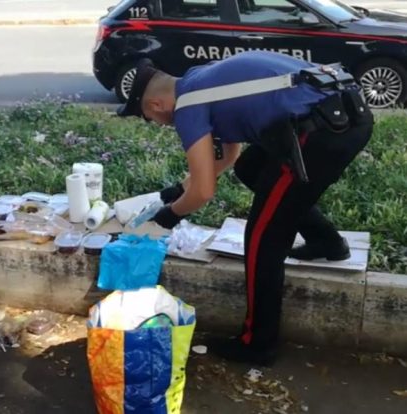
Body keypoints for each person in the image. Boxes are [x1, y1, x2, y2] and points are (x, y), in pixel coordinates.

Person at [117, 51, 373, 365]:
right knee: (251, 168)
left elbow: (204, 191)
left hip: (324, 132)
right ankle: (327, 242)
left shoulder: (187, 107)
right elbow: (229, 157)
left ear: (155, 105)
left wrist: (168, 216)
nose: (157, 124)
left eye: (150, 119)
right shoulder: (198, 79)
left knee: (264, 238)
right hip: (340, 109)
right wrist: (179, 190)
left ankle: (258, 344)